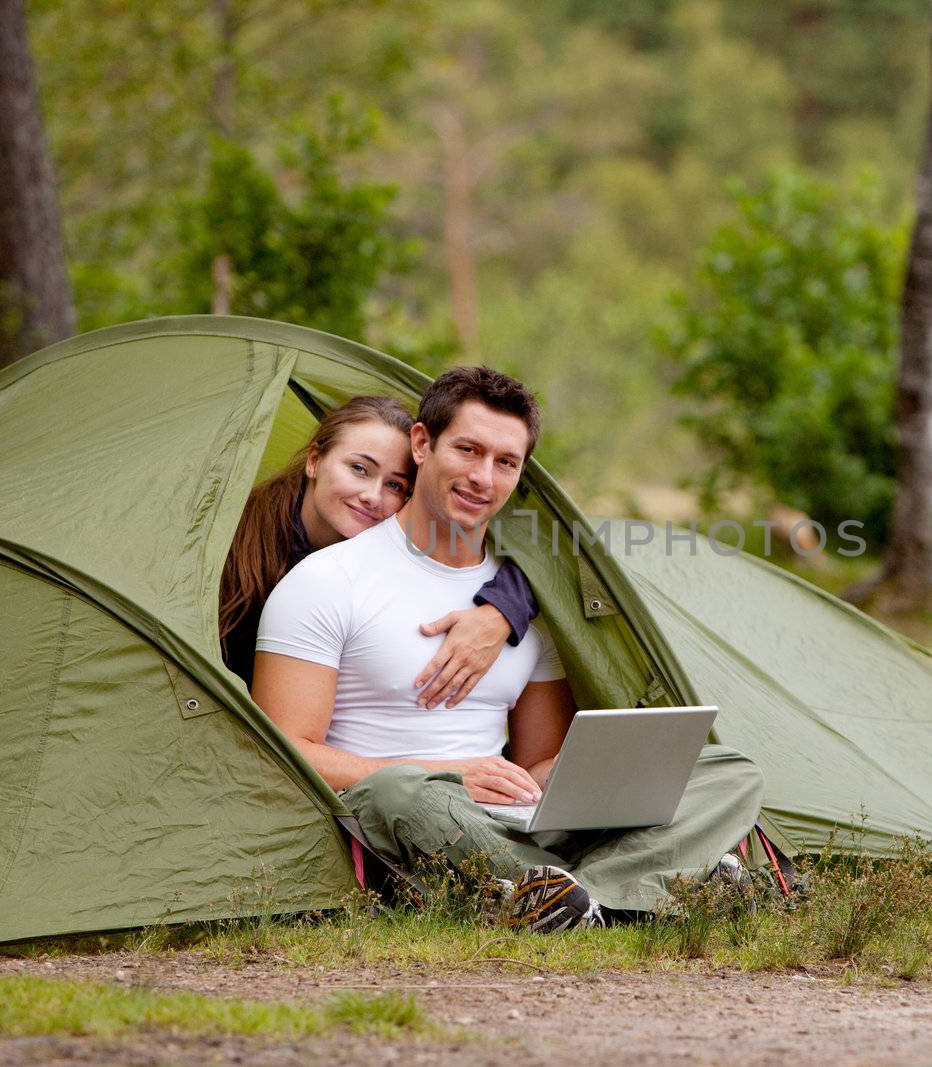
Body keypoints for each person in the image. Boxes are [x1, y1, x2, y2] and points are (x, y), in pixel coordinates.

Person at [251, 366, 763, 931]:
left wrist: (575, 777)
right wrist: (447, 774)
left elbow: (534, 759)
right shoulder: (327, 581)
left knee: (728, 769)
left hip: (514, 820)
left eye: (505, 462)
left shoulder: (528, 602)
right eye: (468, 450)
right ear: (422, 444)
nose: (482, 477)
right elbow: (285, 749)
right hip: (413, 814)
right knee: (398, 793)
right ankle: (639, 886)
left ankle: (571, 898)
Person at [218, 394, 536, 707]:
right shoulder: (235, 548)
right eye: (359, 468)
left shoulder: (380, 568)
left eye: (395, 486)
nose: (373, 496)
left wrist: (503, 609)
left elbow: (548, 553)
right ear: (314, 461)